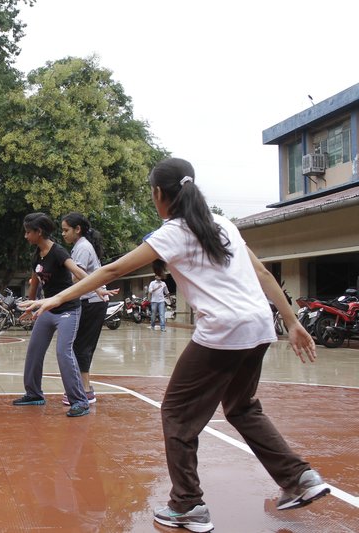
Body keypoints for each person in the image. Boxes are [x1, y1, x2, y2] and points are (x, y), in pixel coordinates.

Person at [24, 158, 328, 532]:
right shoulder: (223, 224)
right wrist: (293, 323)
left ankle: (187, 506)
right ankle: (299, 478)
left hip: (223, 330)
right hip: (259, 326)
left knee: (176, 413)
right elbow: (263, 273)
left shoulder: (172, 232)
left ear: (158, 194)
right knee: (242, 408)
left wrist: (55, 299)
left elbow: (113, 270)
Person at [13, 212, 95, 418]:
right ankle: (33, 394)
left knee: (63, 352)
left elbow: (78, 272)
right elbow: (35, 281)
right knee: (34, 351)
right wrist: (30, 306)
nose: (25, 236)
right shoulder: (36, 255)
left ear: (38, 232)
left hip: (68, 310)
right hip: (48, 310)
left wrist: (99, 288)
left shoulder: (58, 252)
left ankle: (79, 401)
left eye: (27, 232)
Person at [60, 212, 118, 406]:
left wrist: (57, 288)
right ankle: (83, 389)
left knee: (81, 347)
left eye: (66, 230)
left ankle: (84, 391)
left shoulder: (83, 247)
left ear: (78, 229)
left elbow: (76, 277)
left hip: (91, 302)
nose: (63, 234)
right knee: (79, 346)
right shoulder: (80, 246)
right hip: (89, 302)